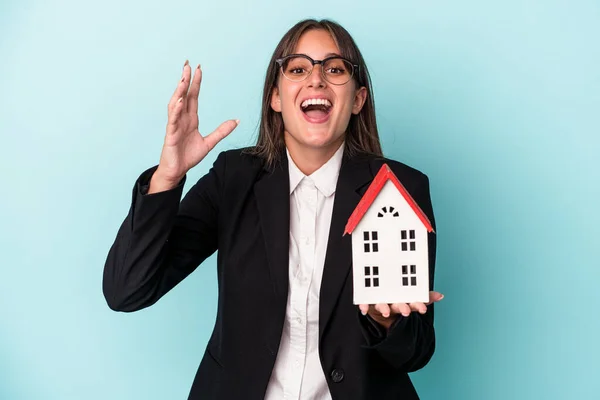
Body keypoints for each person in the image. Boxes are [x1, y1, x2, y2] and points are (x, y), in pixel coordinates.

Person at [103, 18, 443, 400]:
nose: (316, 79)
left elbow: (416, 352)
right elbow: (126, 291)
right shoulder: (234, 178)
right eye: (298, 68)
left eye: (334, 68)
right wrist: (167, 177)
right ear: (276, 98)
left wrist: (387, 322)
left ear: (359, 100)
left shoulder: (399, 189)